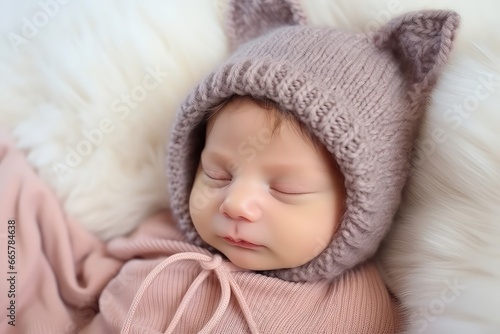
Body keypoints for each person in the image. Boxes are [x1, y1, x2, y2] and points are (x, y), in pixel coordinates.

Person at [83, 3, 460, 333]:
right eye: (217, 174)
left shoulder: (360, 312)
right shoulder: (159, 238)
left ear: (359, 210)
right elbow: (55, 282)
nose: (235, 204)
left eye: (286, 189)